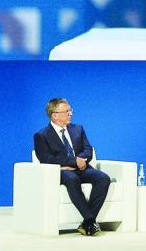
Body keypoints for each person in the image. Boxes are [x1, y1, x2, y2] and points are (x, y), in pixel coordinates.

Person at [33, 98, 110, 236]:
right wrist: (74, 161)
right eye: (66, 111)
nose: (70, 114)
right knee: (72, 179)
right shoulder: (41, 135)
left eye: (70, 110)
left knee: (103, 178)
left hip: (81, 168)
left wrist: (78, 163)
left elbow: (88, 150)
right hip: (61, 171)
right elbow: (46, 158)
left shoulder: (78, 129)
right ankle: (90, 220)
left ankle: (87, 223)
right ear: (54, 115)